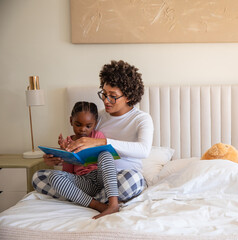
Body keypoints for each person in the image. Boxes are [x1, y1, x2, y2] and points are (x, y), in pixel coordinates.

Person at [32, 60, 154, 219]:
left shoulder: (141, 119)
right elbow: (83, 156)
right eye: (104, 93)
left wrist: (102, 142)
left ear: (129, 96)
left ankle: (81, 197)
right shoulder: (97, 117)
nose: (105, 100)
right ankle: (100, 204)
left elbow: (143, 150)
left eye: (113, 96)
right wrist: (61, 158)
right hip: (92, 178)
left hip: (121, 179)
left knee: (133, 180)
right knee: (39, 178)